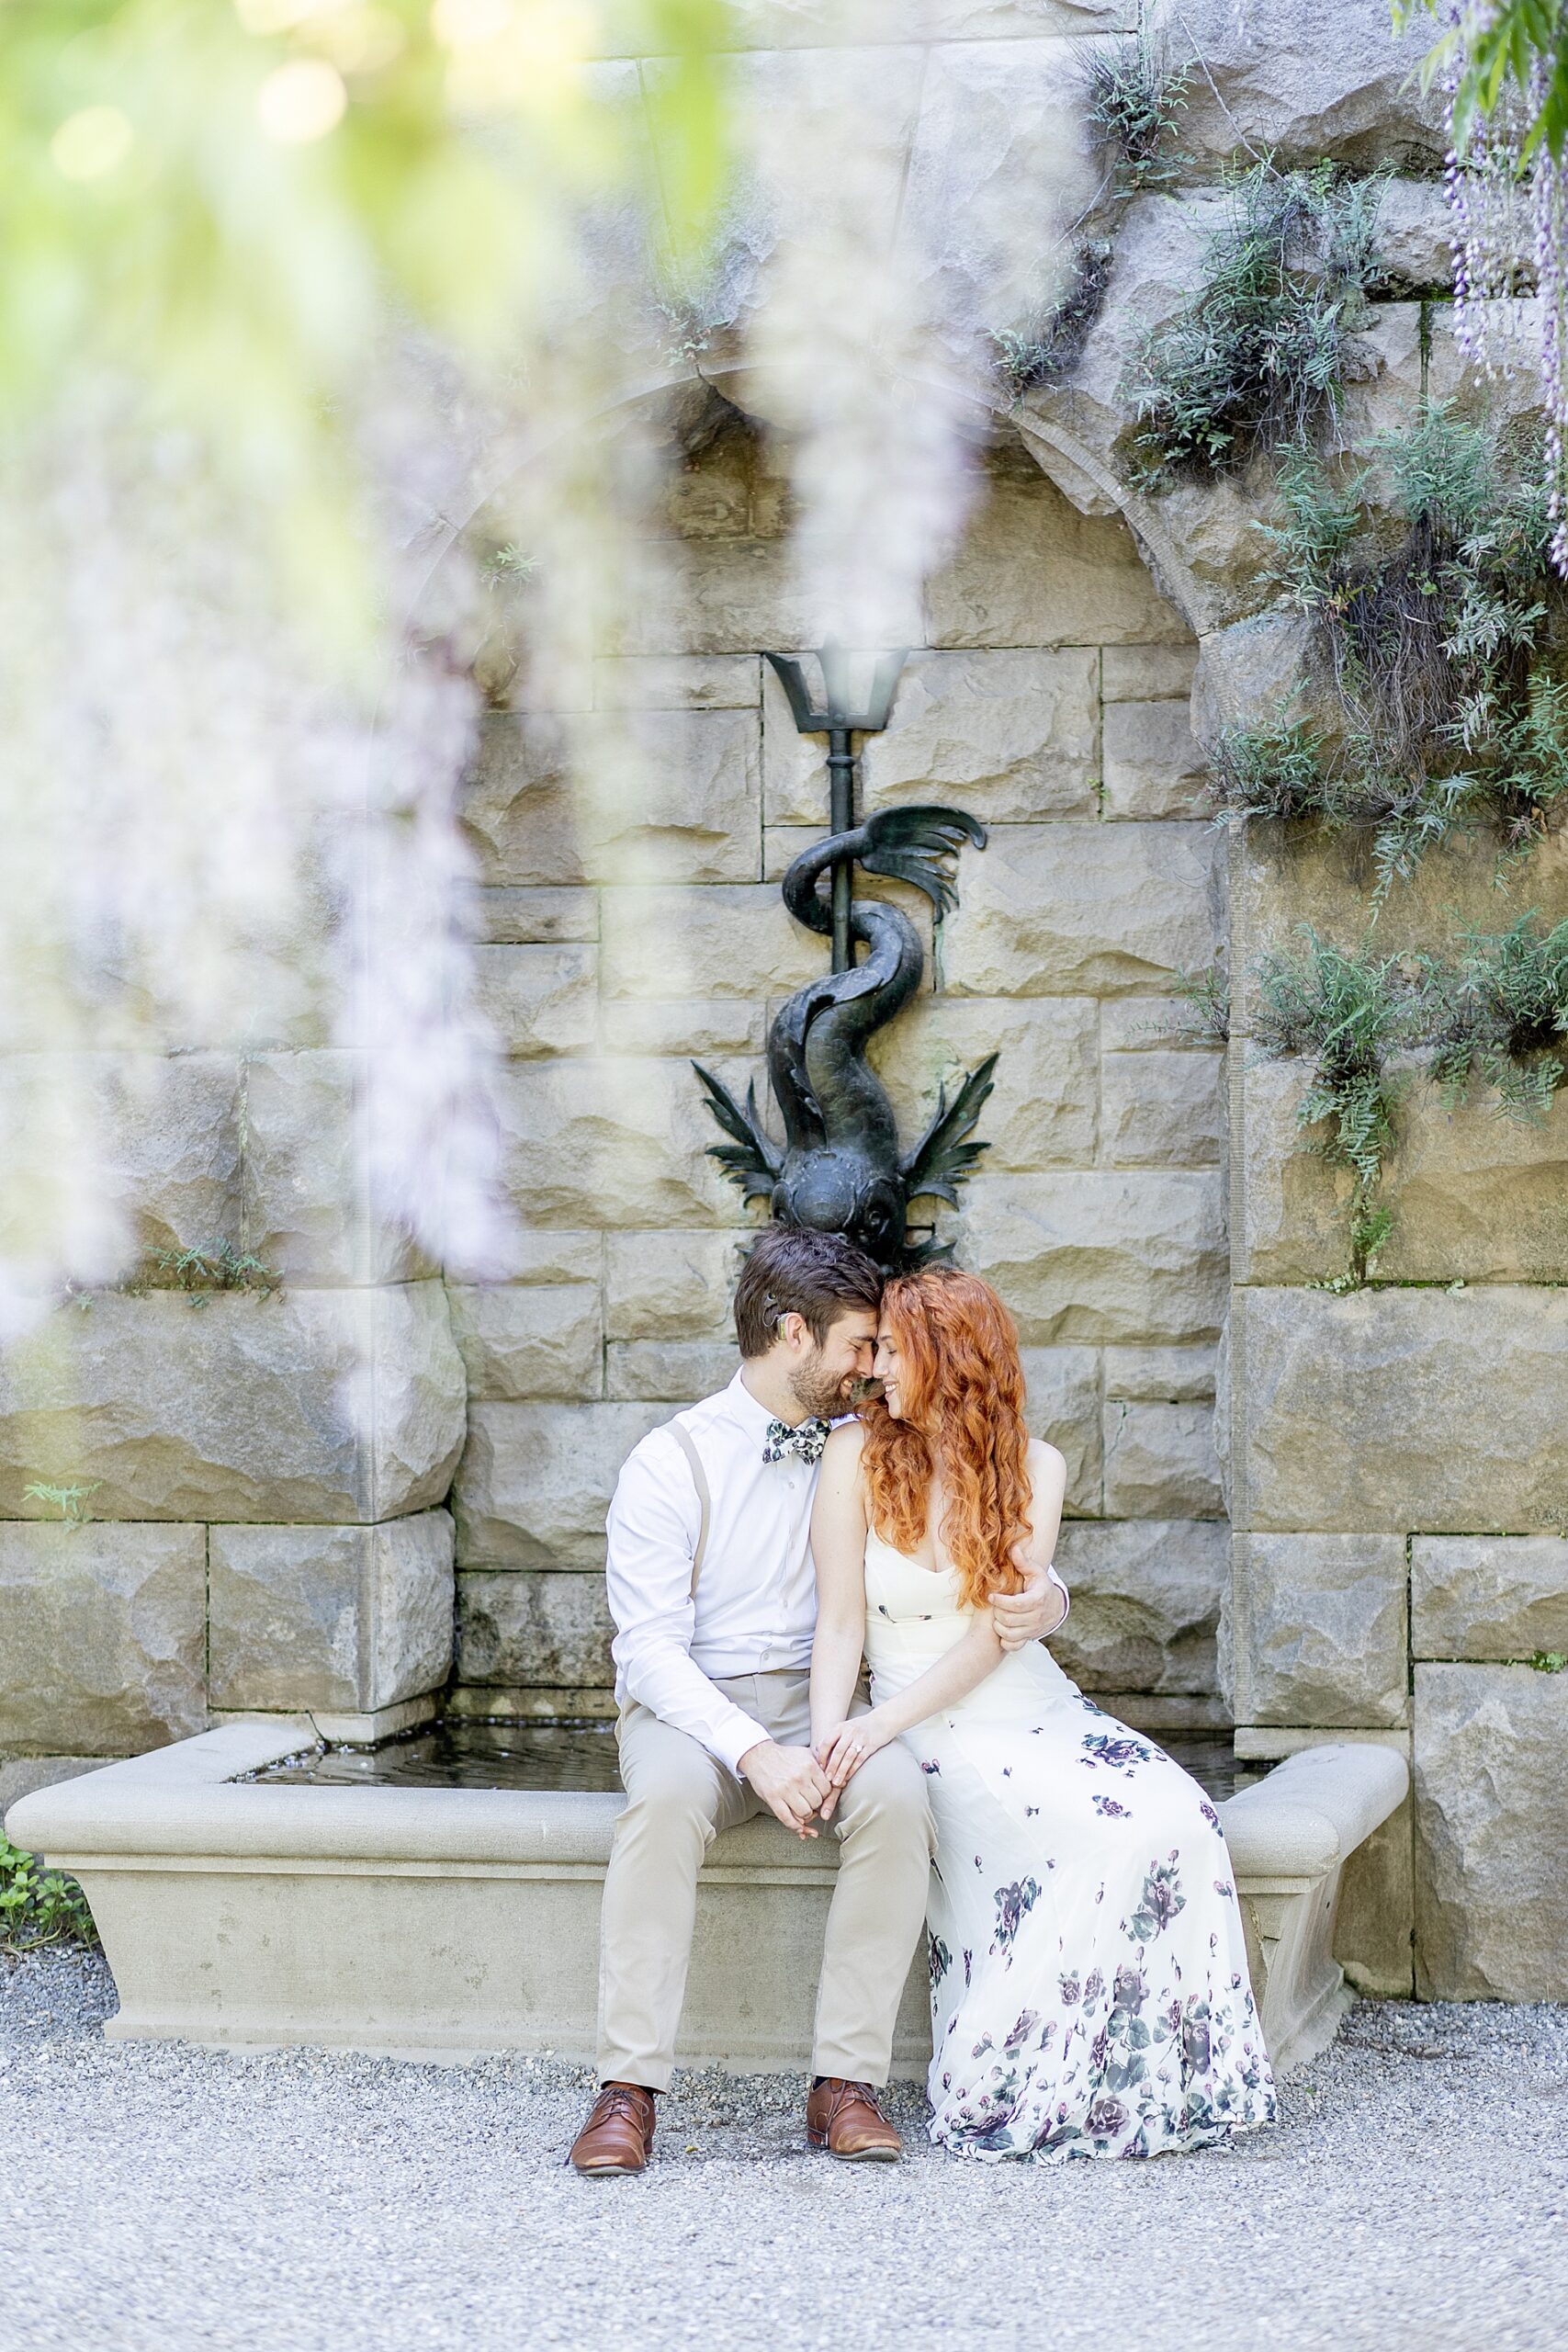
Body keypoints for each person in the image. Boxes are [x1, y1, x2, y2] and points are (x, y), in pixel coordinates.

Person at [568, 1226, 1065, 2177]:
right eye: (859, 1344)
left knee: (897, 1795)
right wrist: (756, 1752)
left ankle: (845, 2084)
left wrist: (1053, 1599)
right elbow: (650, 1653)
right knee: (665, 1802)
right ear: (795, 1333)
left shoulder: (869, 1441)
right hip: (697, 1712)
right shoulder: (668, 1462)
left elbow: (990, 1520)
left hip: (826, 1697)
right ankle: (626, 2089)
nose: (874, 1366)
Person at [809, 1264, 1278, 2163]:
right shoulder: (853, 1457)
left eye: (900, 1353)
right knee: (1095, 1841)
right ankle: (1037, 2066)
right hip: (926, 1724)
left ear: (952, 1360)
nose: (882, 1371)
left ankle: (1151, 2077)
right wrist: (842, 1734)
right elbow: (837, 1621)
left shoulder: (1036, 1467)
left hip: (1033, 1706)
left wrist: (880, 1719)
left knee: (1183, 1817)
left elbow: (998, 1635)